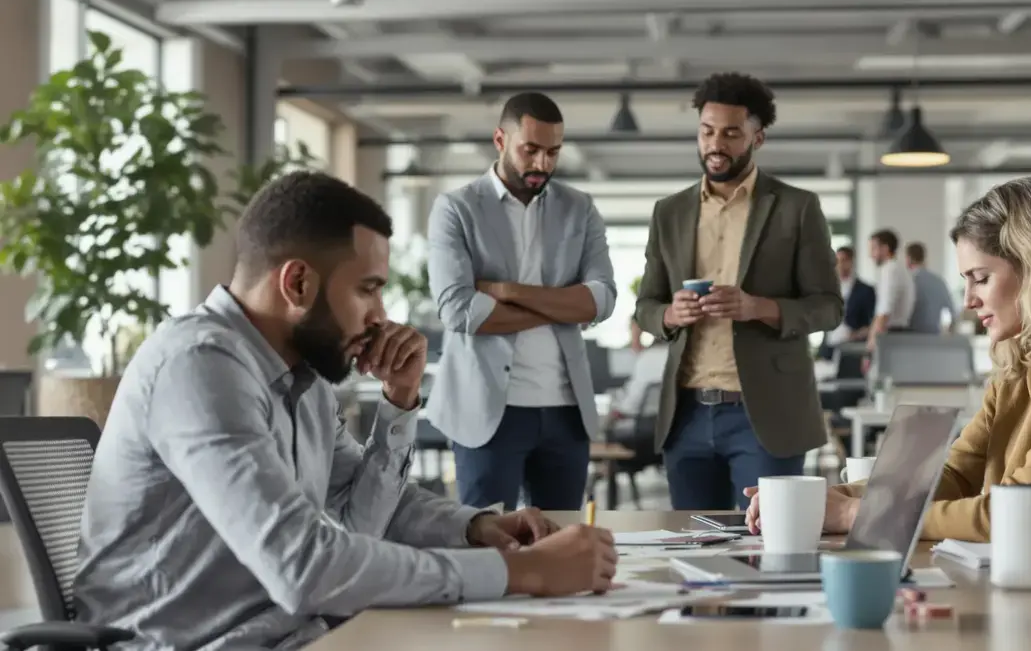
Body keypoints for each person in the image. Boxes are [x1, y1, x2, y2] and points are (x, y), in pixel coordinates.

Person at [74, 172, 618, 650]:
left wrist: (475, 527)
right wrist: (518, 573)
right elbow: (304, 566)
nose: (381, 315)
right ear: (298, 282)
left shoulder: (300, 376)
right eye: (367, 290)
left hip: (300, 632)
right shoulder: (200, 368)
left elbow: (365, 515)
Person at [745, 176, 1031, 543]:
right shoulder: (1027, 352)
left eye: (981, 278)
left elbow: (1026, 509)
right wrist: (815, 498)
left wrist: (855, 515)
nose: (969, 300)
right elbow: (956, 474)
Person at [634, 72, 843, 511]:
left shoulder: (796, 208)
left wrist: (757, 307)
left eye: (731, 133)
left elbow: (828, 308)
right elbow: (646, 306)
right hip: (686, 413)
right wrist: (670, 315)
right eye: (707, 131)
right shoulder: (669, 212)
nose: (716, 144)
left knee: (768, 548)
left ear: (757, 137)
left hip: (764, 415)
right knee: (693, 553)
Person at [426, 92, 616, 511]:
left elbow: (600, 302)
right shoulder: (456, 209)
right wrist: (560, 306)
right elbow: (460, 311)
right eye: (530, 150)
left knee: (560, 543)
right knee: (488, 545)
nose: (542, 164)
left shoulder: (579, 209)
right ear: (500, 140)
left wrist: (508, 292)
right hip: (487, 412)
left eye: (553, 152)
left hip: (566, 411)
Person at [817, 245, 876, 360]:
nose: (839, 265)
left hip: (852, 349)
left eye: (843, 260)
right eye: (837, 261)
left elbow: (872, 323)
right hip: (828, 348)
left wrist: (856, 335)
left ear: (851, 262)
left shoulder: (865, 290)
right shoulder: (827, 289)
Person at [865, 228, 916, 351]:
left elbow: (884, 311)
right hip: (896, 334)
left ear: (885, 248)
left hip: (891, 335)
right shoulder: (897, 268)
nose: (870, 255)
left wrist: (870, 346)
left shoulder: (890, 270)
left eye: (873, 249)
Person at [905, 242, 957, 334]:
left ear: (908, 259)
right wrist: (950, 331)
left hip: (909, 337)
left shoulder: (908, 281)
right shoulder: (939, 281)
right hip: (933, 338)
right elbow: (953, 311)